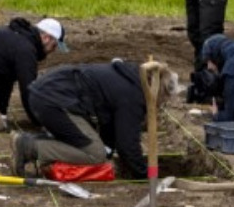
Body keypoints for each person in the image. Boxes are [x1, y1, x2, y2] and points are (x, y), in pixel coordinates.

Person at [12, 60, 180, 180]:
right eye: (162, 101)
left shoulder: (131, 78)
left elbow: (111, 123)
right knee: (94, 153)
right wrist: (145, 175)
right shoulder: (133, 97)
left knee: (95, 147)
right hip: (55, 101)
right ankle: (29, 146)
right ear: (158, 91)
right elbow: (126, 144)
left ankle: (37, 145)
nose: (159, 106)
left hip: (48, 94)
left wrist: (108, 149)